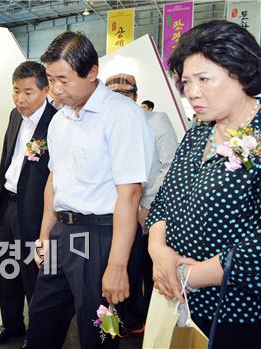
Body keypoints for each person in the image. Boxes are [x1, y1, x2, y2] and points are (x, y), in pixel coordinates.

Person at [26, 31, 154, 349]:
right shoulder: (60, 121)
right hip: (62, 235)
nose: (55, 89)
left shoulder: (122, 116)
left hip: (103, 239)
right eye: (51, 79)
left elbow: (130, 194)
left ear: (92, 72)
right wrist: (45, 235)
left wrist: (117, 266)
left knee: (99, 334)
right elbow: (54, 181)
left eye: (64, 80)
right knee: (42, 321)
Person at [147, 20, 261, 348]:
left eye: (204, 79)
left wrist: (190, 276)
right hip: (179, 300)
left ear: (241, 72)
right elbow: (166, 198)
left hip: (236, 312)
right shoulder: (199, 131)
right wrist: (158, 251)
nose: (192, 92)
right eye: (186, 81)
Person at [0, 62, 57, 348]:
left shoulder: (56, 121)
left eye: (28, 92)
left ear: (45, 89)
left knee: (35, 278)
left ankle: (38, 336)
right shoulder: (15, 116)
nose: (20, 99)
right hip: (10, 207)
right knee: (9, 271)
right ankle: (13, 326)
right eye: (16, 91)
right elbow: (8, 158)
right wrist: (1, 198)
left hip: (37, 214)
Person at [105, 73, 179, 332]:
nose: (120, 101)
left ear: (135, 96)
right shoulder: (106, 124)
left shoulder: (156, 120)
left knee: (147, 265)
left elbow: (170, 165)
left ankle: (144, 318)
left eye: (125, 95)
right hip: (115, 210)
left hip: (150, 209)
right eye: (113, 96)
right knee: (123, 264)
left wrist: (148, 205)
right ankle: (123, 316)